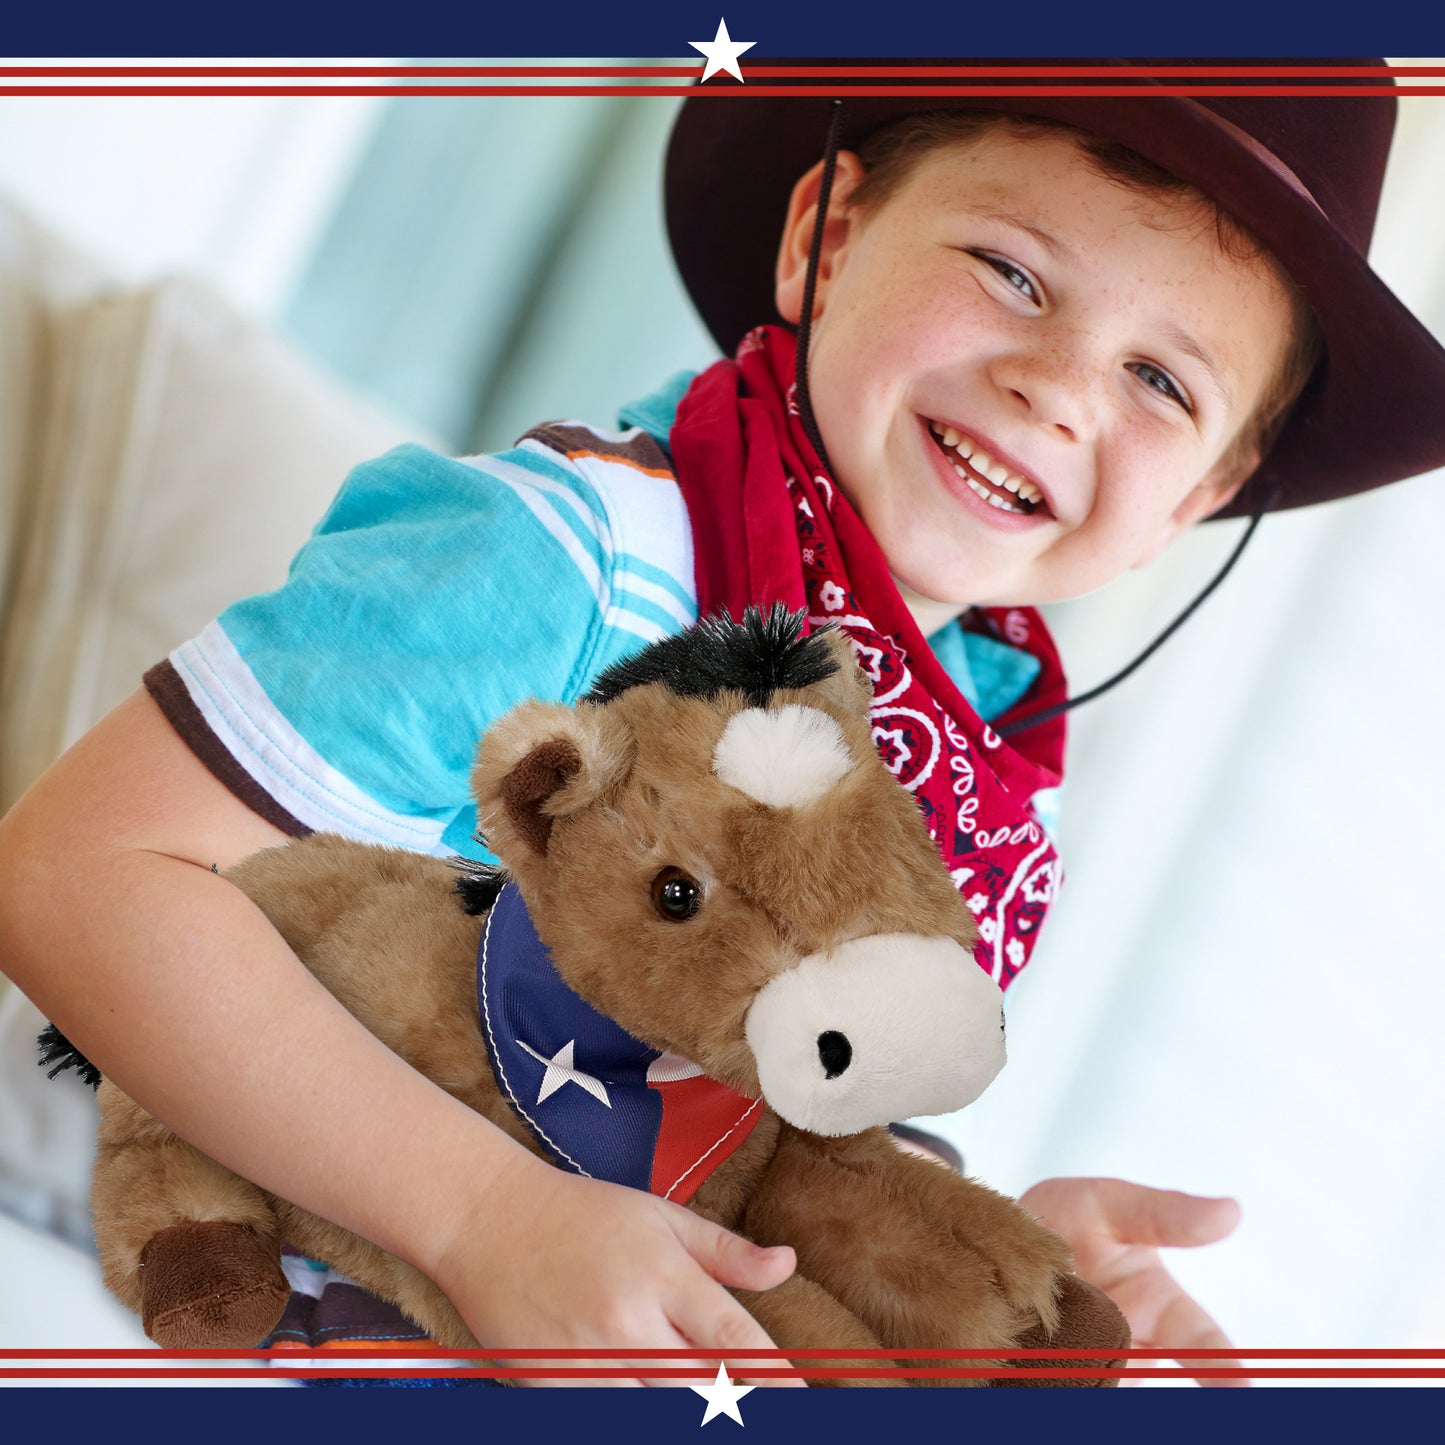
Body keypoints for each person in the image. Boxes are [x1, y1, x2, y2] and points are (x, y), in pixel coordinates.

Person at [3, 58, 1444, 1386]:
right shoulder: (563, 559)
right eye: (1011, 272)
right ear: (825, 236)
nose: (1058, 390)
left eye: (1159, 381)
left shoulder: (985, 785)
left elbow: (722, 1176)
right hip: (149, 1281)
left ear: (1198, 498)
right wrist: (482, 1216)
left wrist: (977, 1256)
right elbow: (75, 872)